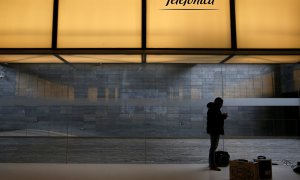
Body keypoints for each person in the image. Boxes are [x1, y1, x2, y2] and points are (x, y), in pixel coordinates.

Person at [207, 97, 228, 171]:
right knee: (213, 147)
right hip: (214, 131)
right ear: (218, 103)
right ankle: (212, 165)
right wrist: (223, 116)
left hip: (214, 130)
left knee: (213, 147)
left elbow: (216, 119)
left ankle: (211, 164)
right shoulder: (213, 109)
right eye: (221, 103)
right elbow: (214, 121)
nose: (222, 105)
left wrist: (221, 116)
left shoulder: (214, 109)